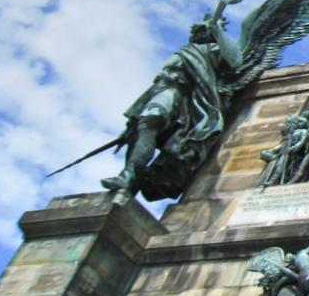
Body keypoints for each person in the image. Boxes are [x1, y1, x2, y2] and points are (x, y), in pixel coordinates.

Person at [100, 15, 242, 198]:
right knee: (141, 131)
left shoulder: (212, 50)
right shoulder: (186, 49)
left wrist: (218, 30)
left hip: (180, 95)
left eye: (206, 27)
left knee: (151, 122)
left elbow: (236, 60)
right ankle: (127, 184)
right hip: (159, 91)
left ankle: (126, 179)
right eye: (201, 26)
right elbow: (158, 83)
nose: (202, 27)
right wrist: (133, 119)